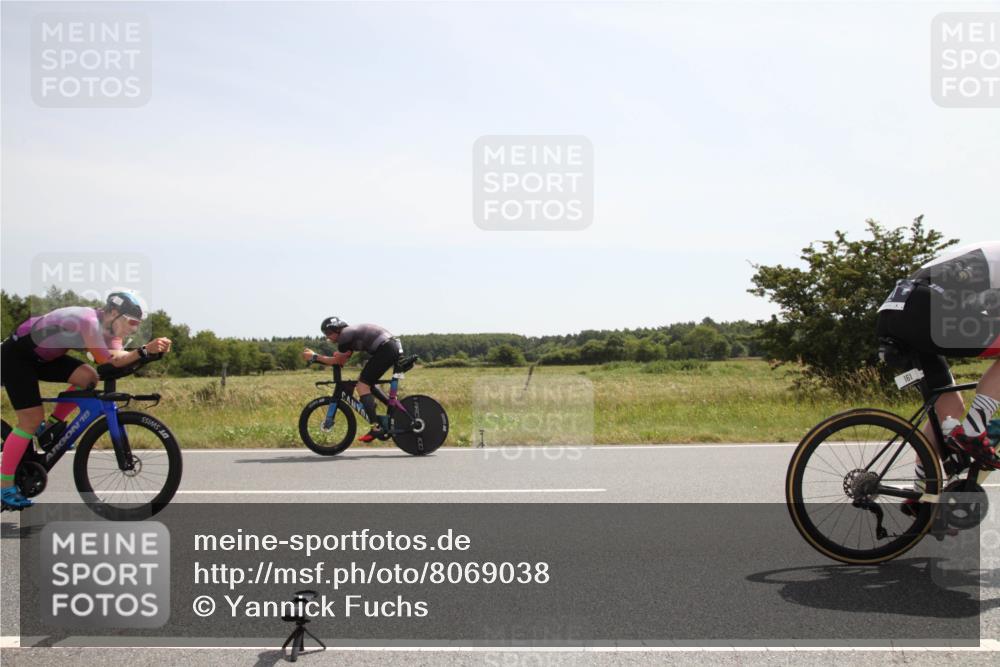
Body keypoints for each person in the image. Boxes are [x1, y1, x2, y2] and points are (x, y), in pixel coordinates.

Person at [0, 292, 172, 510]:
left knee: (88, 377)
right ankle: (4, 487)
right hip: (17, 356)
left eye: (138, 324)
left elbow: (120, 360)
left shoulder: (111, 330)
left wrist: (146, 354)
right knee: (30, 420)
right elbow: (108, 361)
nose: (134, 328)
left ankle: (52, 426)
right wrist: (144, 351)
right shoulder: (88, 322)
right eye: (131, 322)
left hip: (43, 358)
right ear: (112, 313)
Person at [876, 241, 1000, 472]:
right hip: (924, 307)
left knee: (950, 407)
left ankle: (923, 494)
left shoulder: (985, 254)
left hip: (896, 311)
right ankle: (974, 430)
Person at [302, 317, 403, 443]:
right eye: (325, 335)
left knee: (362, 386)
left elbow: (338, 360)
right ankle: (391, 408)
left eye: (329, 333)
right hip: (389, 347)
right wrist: (324, 357)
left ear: (337, 329)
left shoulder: (344, 337)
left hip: (386, 349)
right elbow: (341, 359)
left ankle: (375, 427)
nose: (328, 338)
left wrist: (314, 357)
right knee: (366, 382)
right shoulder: (349, 335)